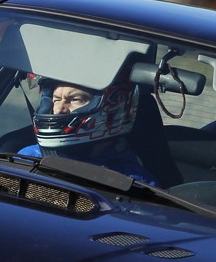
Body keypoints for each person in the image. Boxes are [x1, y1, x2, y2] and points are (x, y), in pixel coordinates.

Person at [18, 76, 157, 185]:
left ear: (110, 107)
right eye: (55, 100)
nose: (59, 109)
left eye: (74, 100)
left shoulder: (133, 181)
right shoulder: (27, 157)